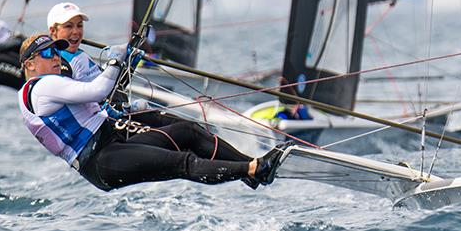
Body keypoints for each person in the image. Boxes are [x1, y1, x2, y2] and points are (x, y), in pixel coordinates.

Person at [17, 32, 285, 191]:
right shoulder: (42, 87)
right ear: (29, 64)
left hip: (111, 139)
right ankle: (253, 168)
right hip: (99, 160)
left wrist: (123, 86)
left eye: (56, 51)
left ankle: (250, 169)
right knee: (182, 162)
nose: (56, 57)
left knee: (186, 132)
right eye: (49, 53)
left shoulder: (50, 84)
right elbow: (97, 91)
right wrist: (115, 61)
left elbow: (97, 102)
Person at [47, 2, 101, 81]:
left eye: (79, 25)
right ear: (53, 30)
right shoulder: (56, 62)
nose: (76, 32)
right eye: (68, 26)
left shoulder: (79, 53)